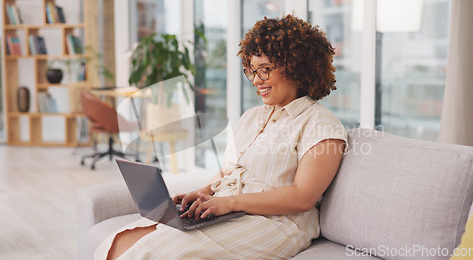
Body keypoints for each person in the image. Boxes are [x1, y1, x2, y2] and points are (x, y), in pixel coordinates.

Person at [96, 14, 348, 260]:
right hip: (228, 208)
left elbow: (303, 197)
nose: (256, 80)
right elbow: (228, 171)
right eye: (252, 70)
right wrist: (200, 192)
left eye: (265, 70)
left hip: (277, 221)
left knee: (152, 253)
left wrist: (230, 204)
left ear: (296, 67)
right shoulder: (252, 116)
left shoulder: (320, 124)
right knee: (119, 243)